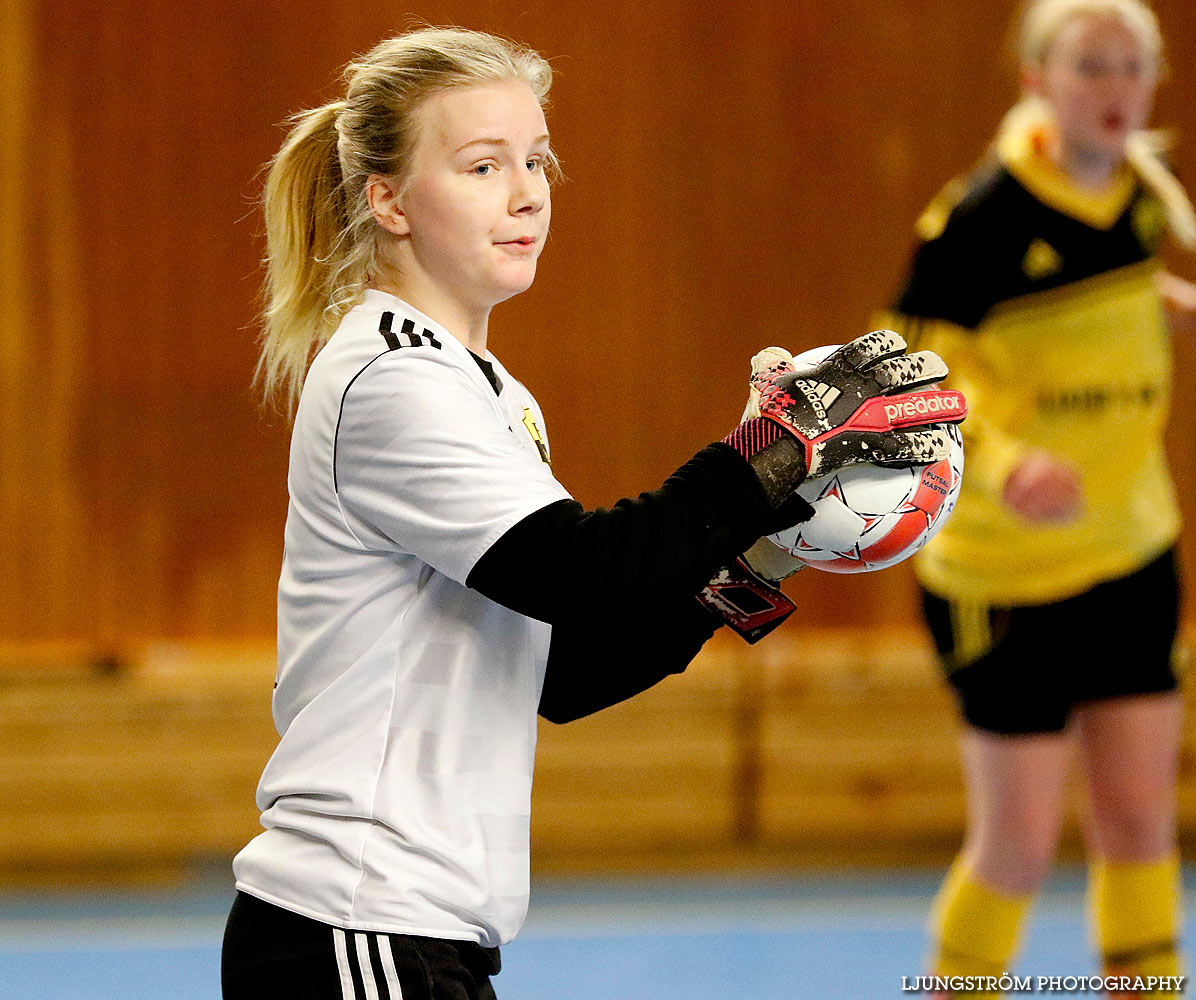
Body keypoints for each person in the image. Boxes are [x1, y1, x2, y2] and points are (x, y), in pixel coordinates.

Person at [219, 25, 965, 1000]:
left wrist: (767, 552)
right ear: (387, 199)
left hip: (411, 937)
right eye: (483, 165)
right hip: (355, 927)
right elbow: (580, 569)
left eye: (537, 161)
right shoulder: (391, 375)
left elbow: (563, 669)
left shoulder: (488, 393)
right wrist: (774, 450)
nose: (526, 192)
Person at [880, 0, 1196, 995]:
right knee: (1015, 845)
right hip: (1004, 577)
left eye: (1128, 68)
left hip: (1130, 551)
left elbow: (1102, 289)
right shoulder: (976, 218)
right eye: (1087, 67)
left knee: (1140, 825)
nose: (1112, 88)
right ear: (1035, 81)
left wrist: (1165, 304)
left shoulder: (1143, 195)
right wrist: (1006, 459)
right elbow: (903, 369)